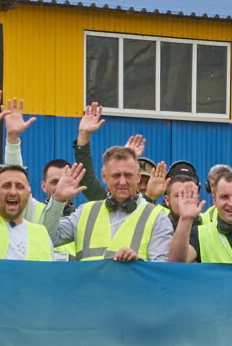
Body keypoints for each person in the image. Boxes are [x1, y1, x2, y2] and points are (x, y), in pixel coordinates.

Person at [55, 105, 172, 262]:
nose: (122, 182)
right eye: (116, 175)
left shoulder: (157, 217)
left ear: (137, 176)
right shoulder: (87, 212)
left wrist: (138, 264)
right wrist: (57, 200)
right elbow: (48, 237)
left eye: (128, 175)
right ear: (104, 177)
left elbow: (161, 268)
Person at [0, 92, 67, 261]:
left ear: (28, 193)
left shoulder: (41, 234)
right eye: (6, 185)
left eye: (19, 186)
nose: (13, 191)